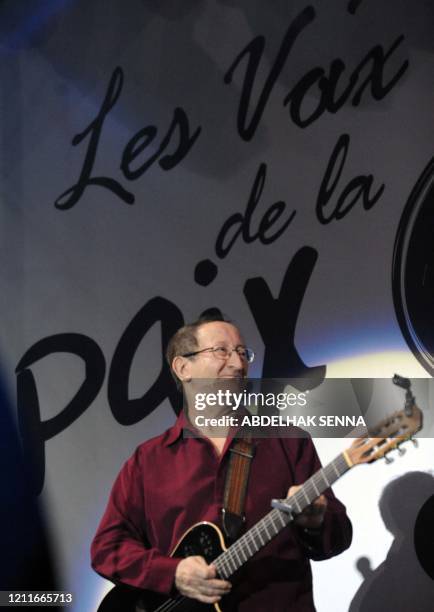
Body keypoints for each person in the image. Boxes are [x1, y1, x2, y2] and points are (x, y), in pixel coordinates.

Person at [91, 315, 352, 611]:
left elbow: (338, 537)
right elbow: (107, 549)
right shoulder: (147, 461)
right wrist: (173, 573)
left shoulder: (288, 440)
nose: (238, 363)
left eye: (243, 353)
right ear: (183, 367)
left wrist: (316, 522)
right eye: (221, 351)